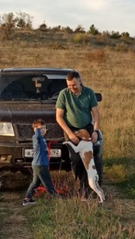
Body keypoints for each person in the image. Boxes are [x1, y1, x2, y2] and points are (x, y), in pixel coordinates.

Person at [55, 71, 101, 201]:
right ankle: (79, 183)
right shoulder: (64, 94)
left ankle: (86, 189)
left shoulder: (89, 93)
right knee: (75, 159)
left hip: (87, 128)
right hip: (72, 130)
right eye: (69, 85)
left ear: (80, 81)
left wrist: (95, 131)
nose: (71, 88)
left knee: (88, 159)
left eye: (74, 85)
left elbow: (96, 114)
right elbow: (59, 116)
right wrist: (70, 133)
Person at [22, 119, 56, 206]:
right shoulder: (36, 138)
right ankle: (55, 198)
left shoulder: (42, 138)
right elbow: (36, 135)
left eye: (45, 128)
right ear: (36, 130)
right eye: (41, 128)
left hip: (39, 163)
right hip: (40, 164)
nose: (43, 130)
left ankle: (27, 199)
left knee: (35, 182)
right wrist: (37, 129)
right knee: (47, 181)